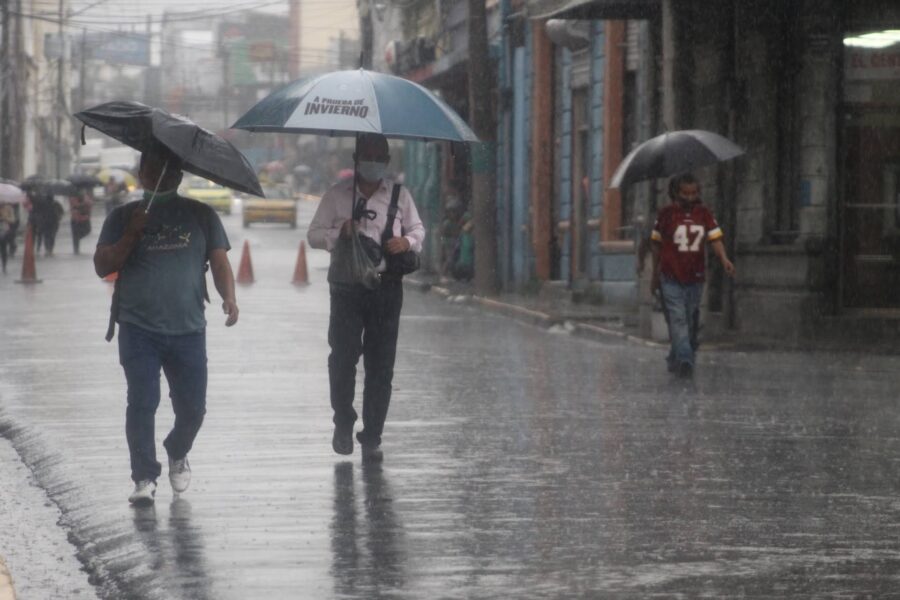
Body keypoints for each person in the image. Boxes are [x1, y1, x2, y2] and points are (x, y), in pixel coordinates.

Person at [94, 145, 239, 506]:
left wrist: (229, 297)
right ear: (142, 173)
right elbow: (102, 265)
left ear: (179, 174)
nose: (163, 174)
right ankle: (144, 477)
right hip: (137, 328)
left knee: (193, 409)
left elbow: (219, 262)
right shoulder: (123, 216)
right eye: (155, 167)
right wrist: (131, 233)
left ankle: (177, 448)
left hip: (188, 329)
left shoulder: (201, 214)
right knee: (142, 402)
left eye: (170, 168)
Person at [308, 133, 425, 459]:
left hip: (387, 288)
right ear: (356, 159)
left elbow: (418, 230)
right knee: (342, 358)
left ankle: (372, 433)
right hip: (346, 288)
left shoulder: (400, 196)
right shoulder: (337, 196)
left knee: (381, 365)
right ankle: (343, 422)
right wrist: (339, 232)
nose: (372, 163)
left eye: (378, 157)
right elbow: (313, 235)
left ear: (386, 162)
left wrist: (406, 242)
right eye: (367, 156)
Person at [649, 173, 735, 378]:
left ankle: (675, 355)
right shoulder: (666, 214)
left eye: (694, 193)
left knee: (689, 319)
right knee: (678, 318)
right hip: (671, 275)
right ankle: (686, 359)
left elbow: (715, 239)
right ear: (677, 193)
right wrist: (655, 272)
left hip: (695, 276)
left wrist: (724, 259)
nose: (690, 197)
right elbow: (655, 244)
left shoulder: (704, 214)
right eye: (685, 193)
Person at [69, 188, 93, 255]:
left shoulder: (86, 197)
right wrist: (83, 204)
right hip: (75, 219)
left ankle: (77, 239)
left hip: (84, 219)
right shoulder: (73, 198)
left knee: (88, 230)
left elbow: (90, 204)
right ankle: (76, 250)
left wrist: (85, 204)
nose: (81, 192)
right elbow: (75, 205)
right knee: (75, 235)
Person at [0, 202, 17, 274]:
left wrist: (5, 218)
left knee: (3, 250)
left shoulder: (9, 208)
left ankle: (4, 266)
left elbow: (13, 220)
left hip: (4, 232)